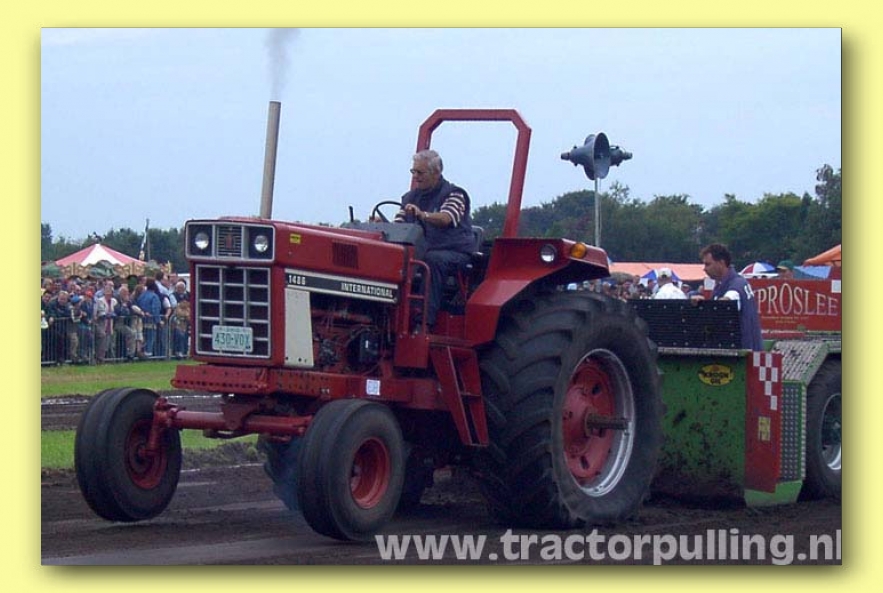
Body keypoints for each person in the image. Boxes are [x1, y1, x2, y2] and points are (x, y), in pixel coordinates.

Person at [394, 149, 475, 330]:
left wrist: (423, 215)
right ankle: (393, 312)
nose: (416, 177)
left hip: (455, 252)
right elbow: (399, 225)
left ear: (436, 172)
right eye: (413, 171)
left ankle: (423, 322)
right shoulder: (409, 198)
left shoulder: (455, 194)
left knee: (433, 260)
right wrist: (382, 225)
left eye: (420, 172)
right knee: (394, 256)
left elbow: (446, 218)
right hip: (422, 251)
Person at [696, 243, 763, 351]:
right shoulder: (723, 284)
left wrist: (705, 307)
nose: (705, 269)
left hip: (743, 354)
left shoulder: (737, 284)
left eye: (708, 264)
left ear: (721, 263)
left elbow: (726, 303)